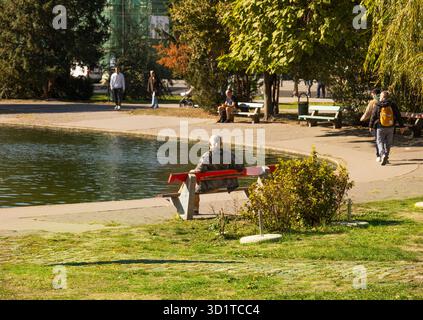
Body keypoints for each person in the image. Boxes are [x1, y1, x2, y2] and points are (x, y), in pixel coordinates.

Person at [190, 135, 245, 214]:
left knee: (191, 183)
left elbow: (199, 171)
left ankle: (195, 209)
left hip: (210, 186)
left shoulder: (206, 156)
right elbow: (241, 167)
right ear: (221, 144)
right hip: (227, 184)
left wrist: (192, 171)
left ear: (210, 145)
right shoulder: (230, 155)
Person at [369, 91, 405, 166]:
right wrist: (401, 126)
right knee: (388, 143)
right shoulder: (392, 104)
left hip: (380, 127)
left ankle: (382, 155)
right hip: (390, 127)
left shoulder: (378, 104)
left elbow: (373, 116)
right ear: (388, 97)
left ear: (382, 97)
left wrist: (370, 126)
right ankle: (386, 156)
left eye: (381, 96)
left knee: (379, 141)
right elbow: (398, 115)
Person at [361, 89, 381, 161]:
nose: (372, 96)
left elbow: (367, 113)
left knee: (378, 140)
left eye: (372, 94)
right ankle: (385, 154)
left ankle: (379, 155)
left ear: (374, 94)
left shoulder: (373, 102)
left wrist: (362, 119)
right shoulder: (387, 101)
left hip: (376, 124)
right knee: (385, 140)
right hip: (388, 123)